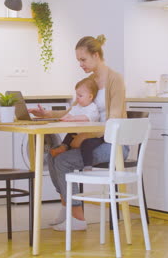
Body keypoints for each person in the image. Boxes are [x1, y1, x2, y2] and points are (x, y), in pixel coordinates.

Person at [28, 34, 128, 231]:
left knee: (63, 160)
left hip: (114, 145)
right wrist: (46, 113)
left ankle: (78, 219)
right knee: (53, 155)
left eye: (83, 59)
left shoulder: (115, 80)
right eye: (78, 60)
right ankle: (67, 206)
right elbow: (73, 111)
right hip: (93, 142)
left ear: (96, 55)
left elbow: (114, 119)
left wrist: (85, 135)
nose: (80, 64)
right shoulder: (89, 81)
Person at [50, 77, 102, 172]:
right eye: (76, 95)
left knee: (87, 145)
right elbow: (70, 114)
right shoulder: (77, 106)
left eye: (80, 96)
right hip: (78, 134)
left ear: (90, 97)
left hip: (92, 136)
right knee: (69, 135)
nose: (77, 98)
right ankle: (63, 147)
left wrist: (73, 118)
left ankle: (87, 165)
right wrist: (64, 118)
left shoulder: (92, 108)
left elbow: (87, 118)